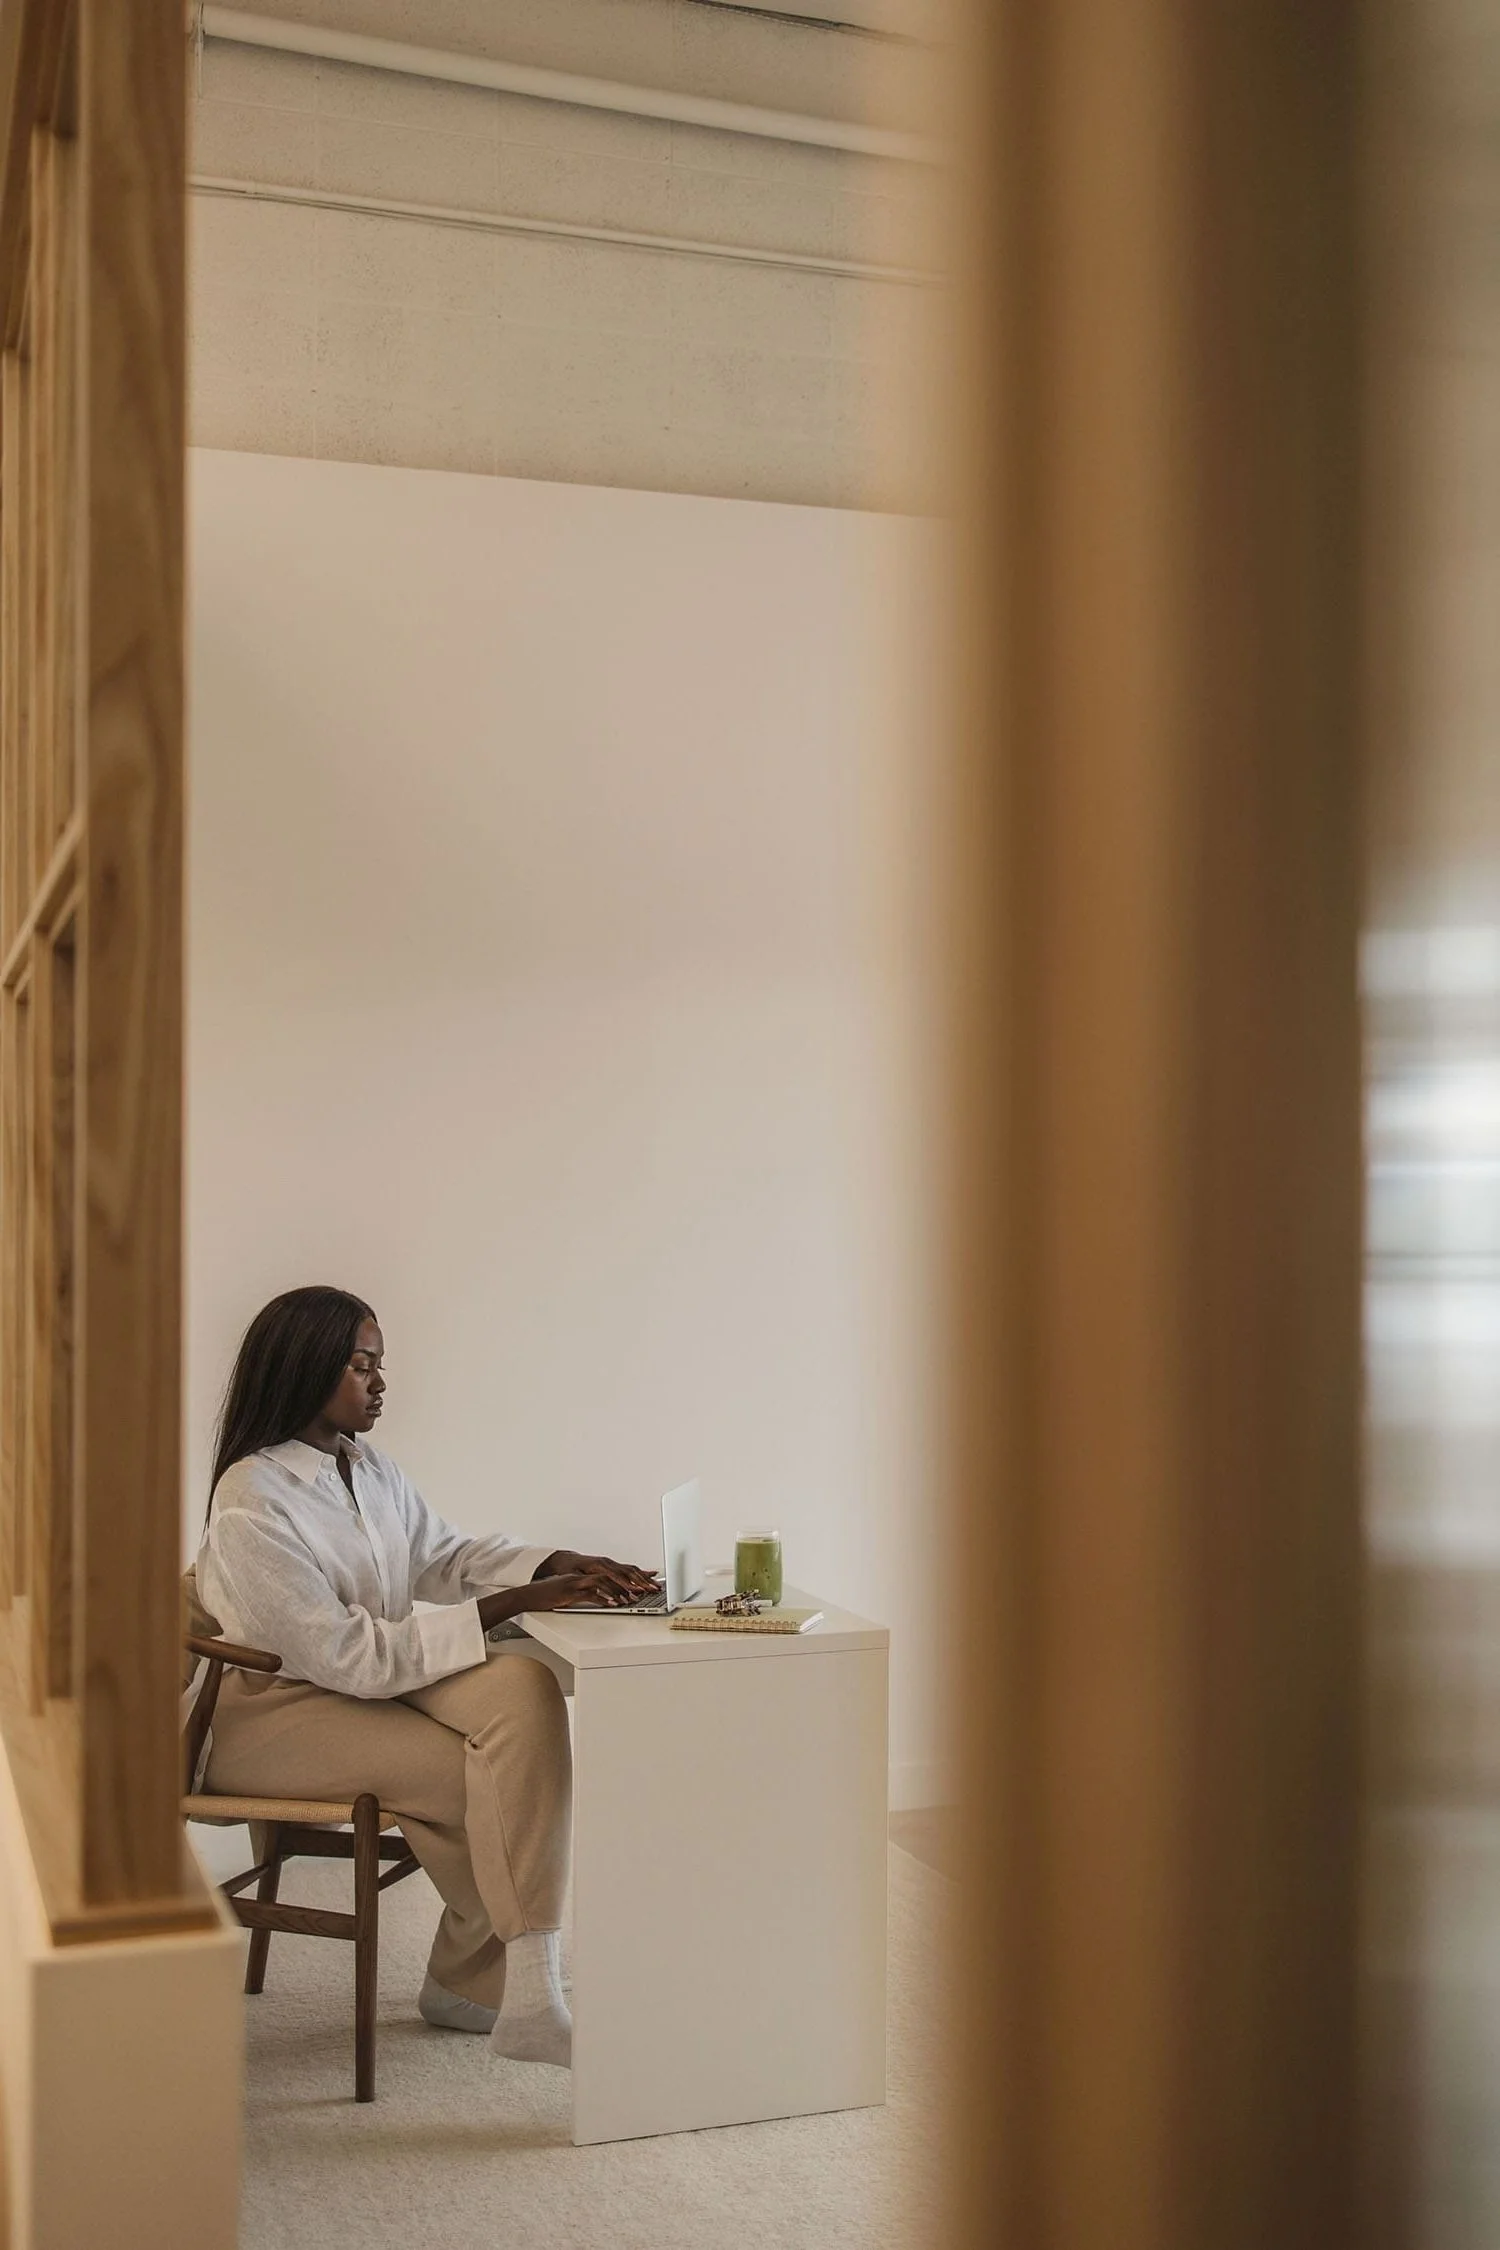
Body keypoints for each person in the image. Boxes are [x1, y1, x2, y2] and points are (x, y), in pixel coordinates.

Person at [195, 1284, 658, 2067]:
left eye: (379, 1364)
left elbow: (440, 1557)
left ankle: (500, 1985)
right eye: (361, 1365)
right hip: (272, 1714)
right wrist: (518, 1600)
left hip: (366, 1679)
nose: (380, 1384)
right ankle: (503, 1988)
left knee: (522, 1689)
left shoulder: (366, 1467)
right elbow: (345, 1654)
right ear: (306, 1370)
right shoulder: (252, 1499)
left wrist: (554, 1563)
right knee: (488, 1775)